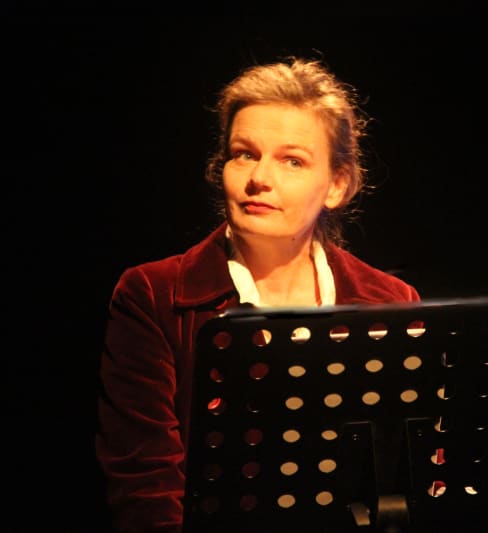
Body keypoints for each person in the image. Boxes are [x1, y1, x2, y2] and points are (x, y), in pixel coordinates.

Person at [94, 56, 421, 532]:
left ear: (337, 185)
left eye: (292, 161)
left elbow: (414, 477)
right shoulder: (154, 294)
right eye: (244, 153)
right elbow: (146, 487)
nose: (259, 178)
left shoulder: (391, 302)